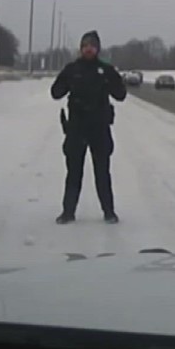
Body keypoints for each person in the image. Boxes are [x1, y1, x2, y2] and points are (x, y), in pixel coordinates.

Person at [51, 30, 127, 224]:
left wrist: (113, 81)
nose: (88, 49)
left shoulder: (106, 70)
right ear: (81, 48)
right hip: (76, 128)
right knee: (73, 172)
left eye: (92, 46)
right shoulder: (72, 69)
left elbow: (121, 94)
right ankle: (68, 212)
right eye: (85, 45)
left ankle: (109, 211)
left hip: (99, 128)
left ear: (98, 49)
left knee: (102, 172)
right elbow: (56, 92)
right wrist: (64, 83)